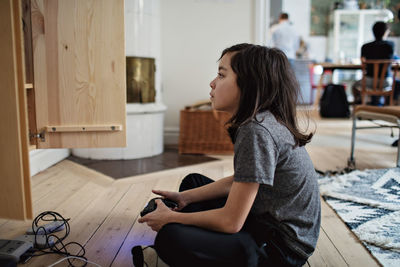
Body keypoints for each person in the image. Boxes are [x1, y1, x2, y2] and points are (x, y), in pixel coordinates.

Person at [138, 44, 321, 267]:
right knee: (192, 184)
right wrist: (185, 198)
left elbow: (231, 221)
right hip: (263, 220)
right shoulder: (263, 120)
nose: (212, 83)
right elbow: (240, 181)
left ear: (250, 84)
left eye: (221, 75)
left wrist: (172, 219)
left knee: (171, 238)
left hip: (280, 249)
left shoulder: (257, 130)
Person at [352, 21, 395, 105]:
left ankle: (359, 105)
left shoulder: (365, 46)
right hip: (385, 81)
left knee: (354, 86)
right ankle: (388, 106)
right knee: (396, 83)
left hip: (368, 80)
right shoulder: (390, 45)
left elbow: (362, 62)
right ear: (386, 32)